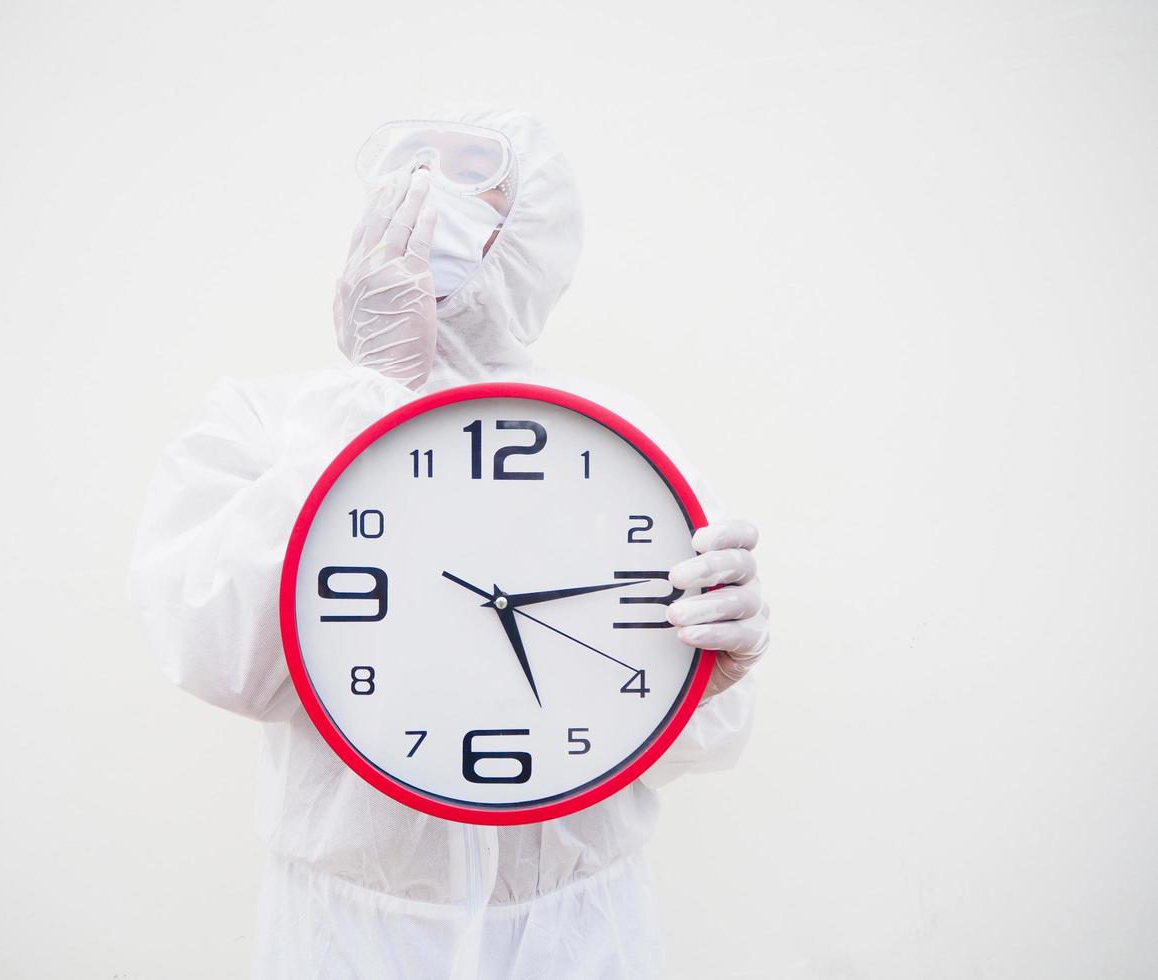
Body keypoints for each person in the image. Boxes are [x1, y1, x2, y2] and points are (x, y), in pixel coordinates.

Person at [129, 107, 771, 979]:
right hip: (352, 934)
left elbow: (679, 738)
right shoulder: (266, 422)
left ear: (533, 232)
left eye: (472, 171)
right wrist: (367, 399)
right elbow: (219, 658)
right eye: (406, 169)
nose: (427, 191)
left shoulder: (617, 441)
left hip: (577, 929)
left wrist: (706, 676)